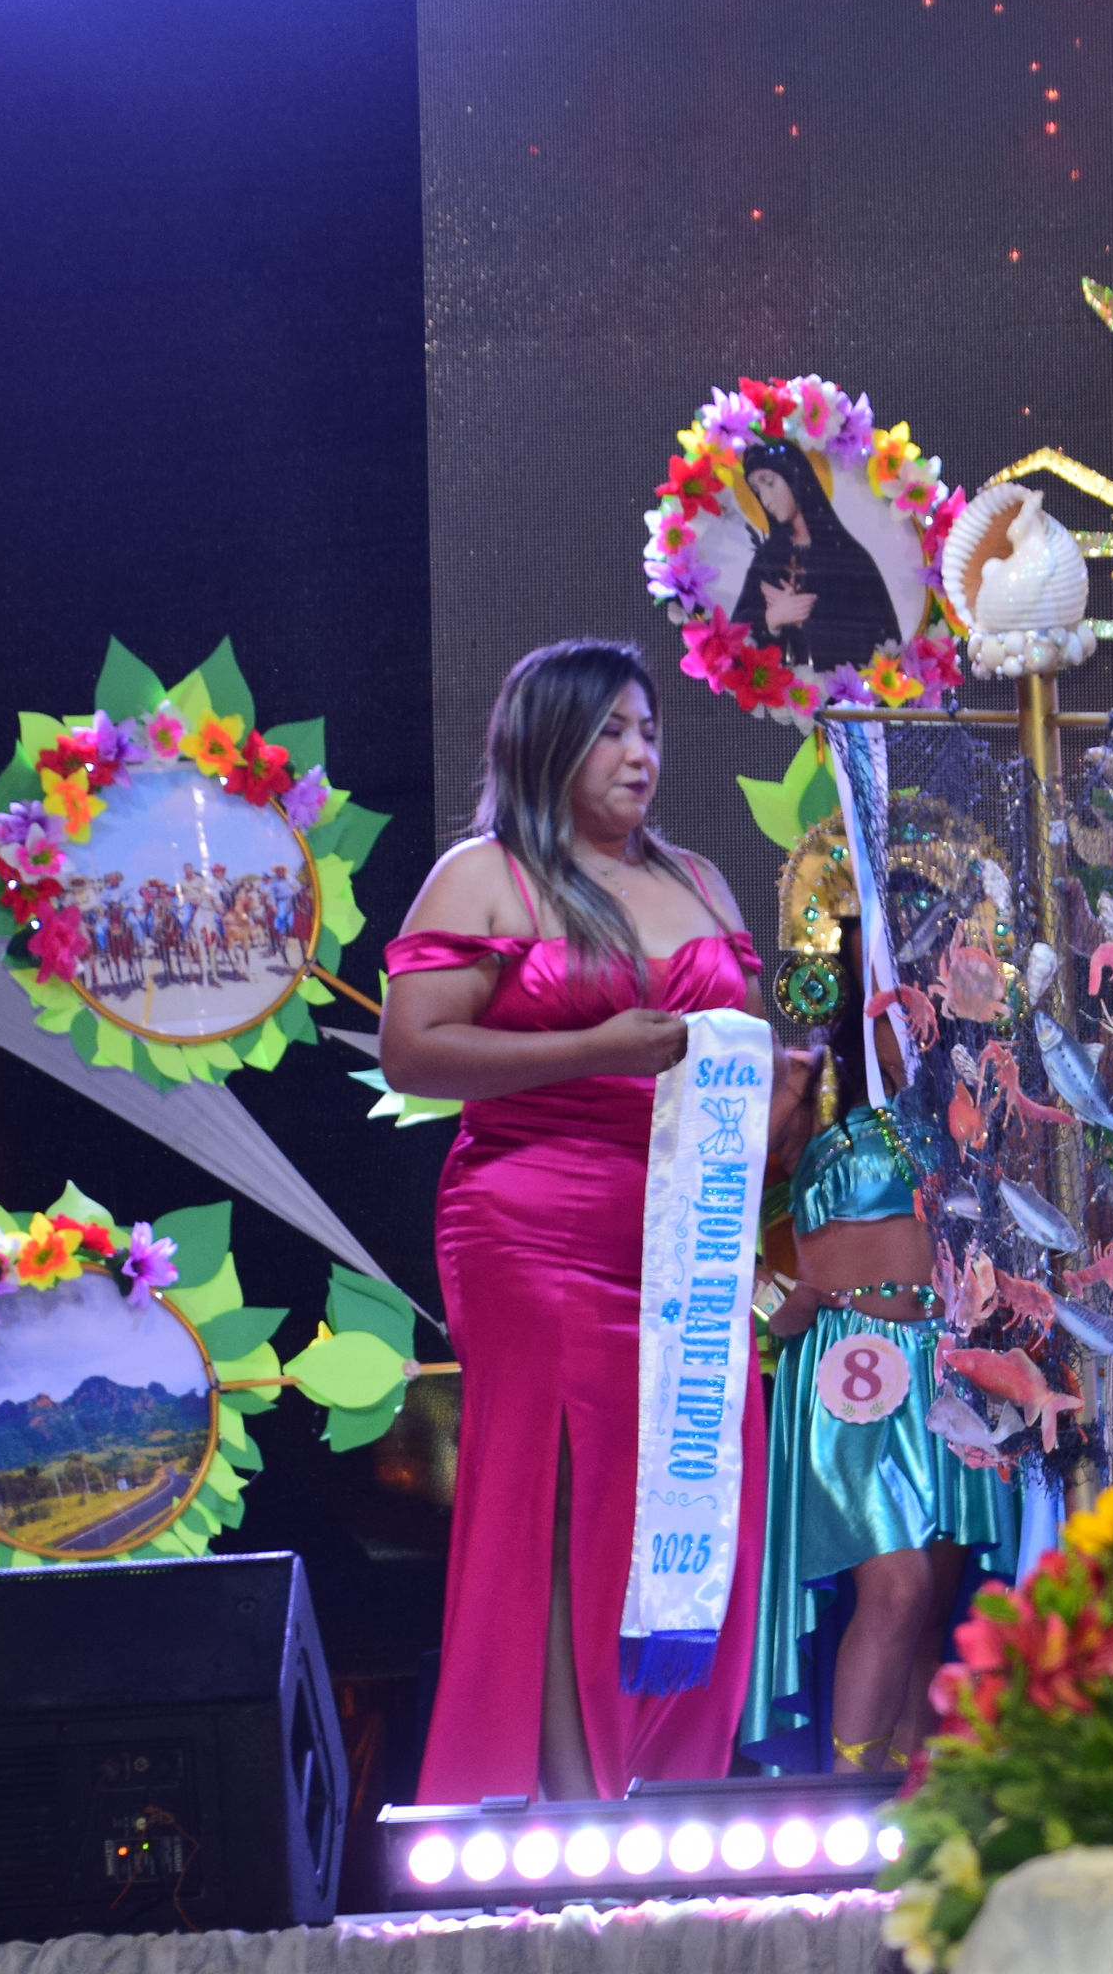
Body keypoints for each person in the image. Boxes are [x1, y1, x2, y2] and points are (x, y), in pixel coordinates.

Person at [381, 640, 816, 1802]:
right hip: (533, 1223)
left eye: (650, 732)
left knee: (692, 1493)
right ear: (549, 742)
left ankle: (664, 1786)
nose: (640, 755)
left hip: (690, 1232)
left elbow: (736, 1060)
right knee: (565, 1493)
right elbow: (413, 1052)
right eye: (613, 732)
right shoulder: (487, 874)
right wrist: (594, 1050)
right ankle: (572, 1810)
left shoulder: (699, 880)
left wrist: (784, 1096)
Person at [745, 933, 1016, 1772]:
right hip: (848, 1374)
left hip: (948, 1368)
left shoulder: (977, 1095)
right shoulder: (806, 1089)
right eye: (889, 983)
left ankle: (909, 1808)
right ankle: (845, 1805)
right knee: (897, 1589)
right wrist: (779, 1305)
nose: (910, 1004)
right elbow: (708, 1205)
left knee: (932, 1610)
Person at [734, 441, 902, 675]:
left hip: (842, 692)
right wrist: (772, 621)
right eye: (757, 491)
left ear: (796, 479)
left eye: (769, 483)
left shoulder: (848, 556)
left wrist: (812, 620)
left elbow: (881, 635)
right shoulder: (767, 560)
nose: (765, 500)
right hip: (786, 693)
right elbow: (737, 637)